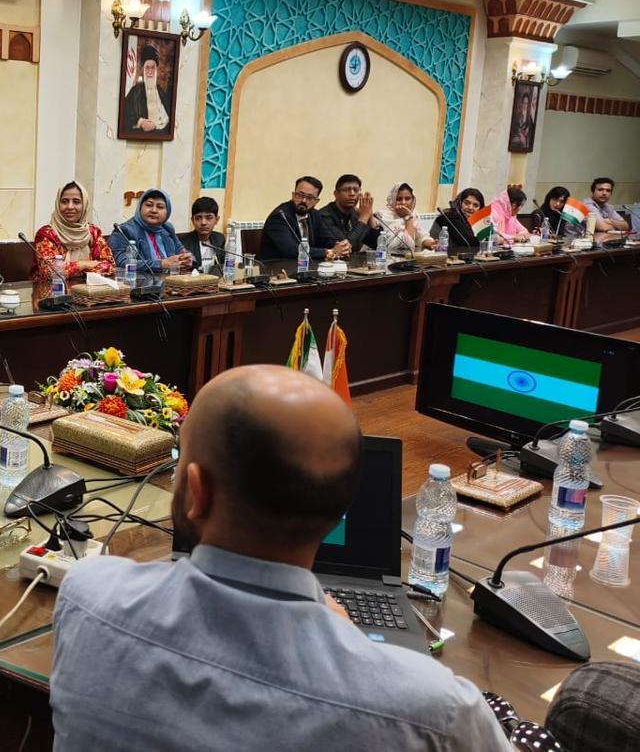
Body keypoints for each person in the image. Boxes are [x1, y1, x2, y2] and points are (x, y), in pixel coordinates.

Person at [49, 365, 513, 751]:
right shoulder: (434, 710)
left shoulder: (88, 594)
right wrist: (352, 649)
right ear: (337, 515)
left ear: (197, 490)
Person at [33, 180, 115, 282]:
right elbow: (50, 272)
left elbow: (109, 265)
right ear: (58, 204)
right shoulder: (46, 234)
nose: (70, 207)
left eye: (76, 202)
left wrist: (70, 269)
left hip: (87, 292)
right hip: (53, 293)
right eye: (64, 201)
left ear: (84, 205)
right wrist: (83, 264)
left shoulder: (93, 232)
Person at [257, 176, 346, 262]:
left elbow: (326, 239)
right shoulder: (280, 216)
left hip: (304, 267)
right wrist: (328, 252)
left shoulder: (314, 215)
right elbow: (290, 250)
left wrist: (341, 247)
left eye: (309, 197)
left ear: (316, 201)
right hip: (276, 269)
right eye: (300, 195)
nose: (303, 200)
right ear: (293, 195)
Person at [107, 188, 192, 276]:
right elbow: (121, 262)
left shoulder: (167, 228)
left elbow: (181, 250)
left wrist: (186, 259)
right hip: (139, 285)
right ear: (140, 207)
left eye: (160, 207)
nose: (154, 210)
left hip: (170, 283)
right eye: (148, 205)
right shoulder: (124, 230)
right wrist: (160, 264)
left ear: (168, 211)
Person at [317, 174, 380, 254]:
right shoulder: (324, 216)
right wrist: (364, 218)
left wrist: (369, 216)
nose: (352, 194)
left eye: (356, 190)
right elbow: (346, 247)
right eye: (346, 190)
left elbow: (377, 245)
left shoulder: (355, 214)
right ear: (336, 194)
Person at [376, 183, 437, 254]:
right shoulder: (383, 216)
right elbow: (407, 245)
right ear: (392, 200)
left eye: (407, 198)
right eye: (399, 199)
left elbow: (421, 236)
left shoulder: (414, 215)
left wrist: (430, 243)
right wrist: (407, 217)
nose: (403, 202)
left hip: (407, 259)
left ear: (413, 200)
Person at [122, 44, 171, 134]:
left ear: (156, 70)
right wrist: (140, 122)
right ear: (143, 69)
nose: (150, 72)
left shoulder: (162, 93)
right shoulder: (135, 92)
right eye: (147, 68)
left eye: (153, 68)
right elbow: (125, 115)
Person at [177, 196, 226, 276]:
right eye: (198, 218)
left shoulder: (219, 239)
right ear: (192, 220)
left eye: (209, 218)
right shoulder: (182, 242)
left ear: (216, 220)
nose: (203, 222)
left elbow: (222, 266)